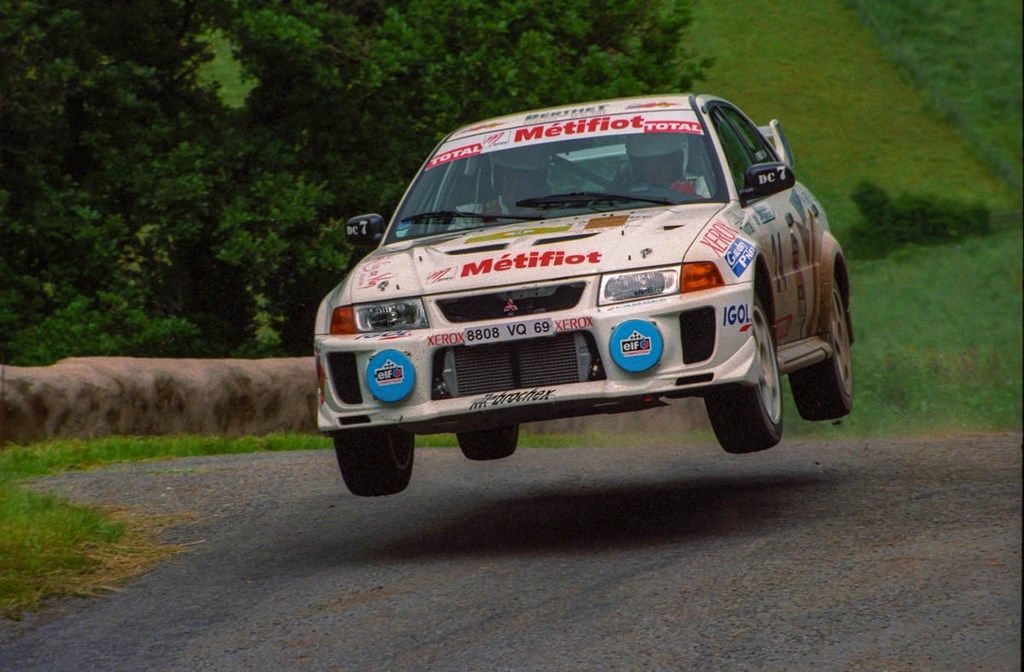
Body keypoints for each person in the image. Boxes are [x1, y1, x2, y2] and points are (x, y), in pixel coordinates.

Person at [625, 133, 705, 196]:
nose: (656, 172)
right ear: (638, 168)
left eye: (662, 163)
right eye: (648, 165)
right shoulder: (621, 197)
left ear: (676, 164)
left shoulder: (702, 189)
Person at [483, 147, 550, 215]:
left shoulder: (553, 209)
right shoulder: (480, 212)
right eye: (510, 180)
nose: (515, 185)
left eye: (520, 180)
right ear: (500, 180)